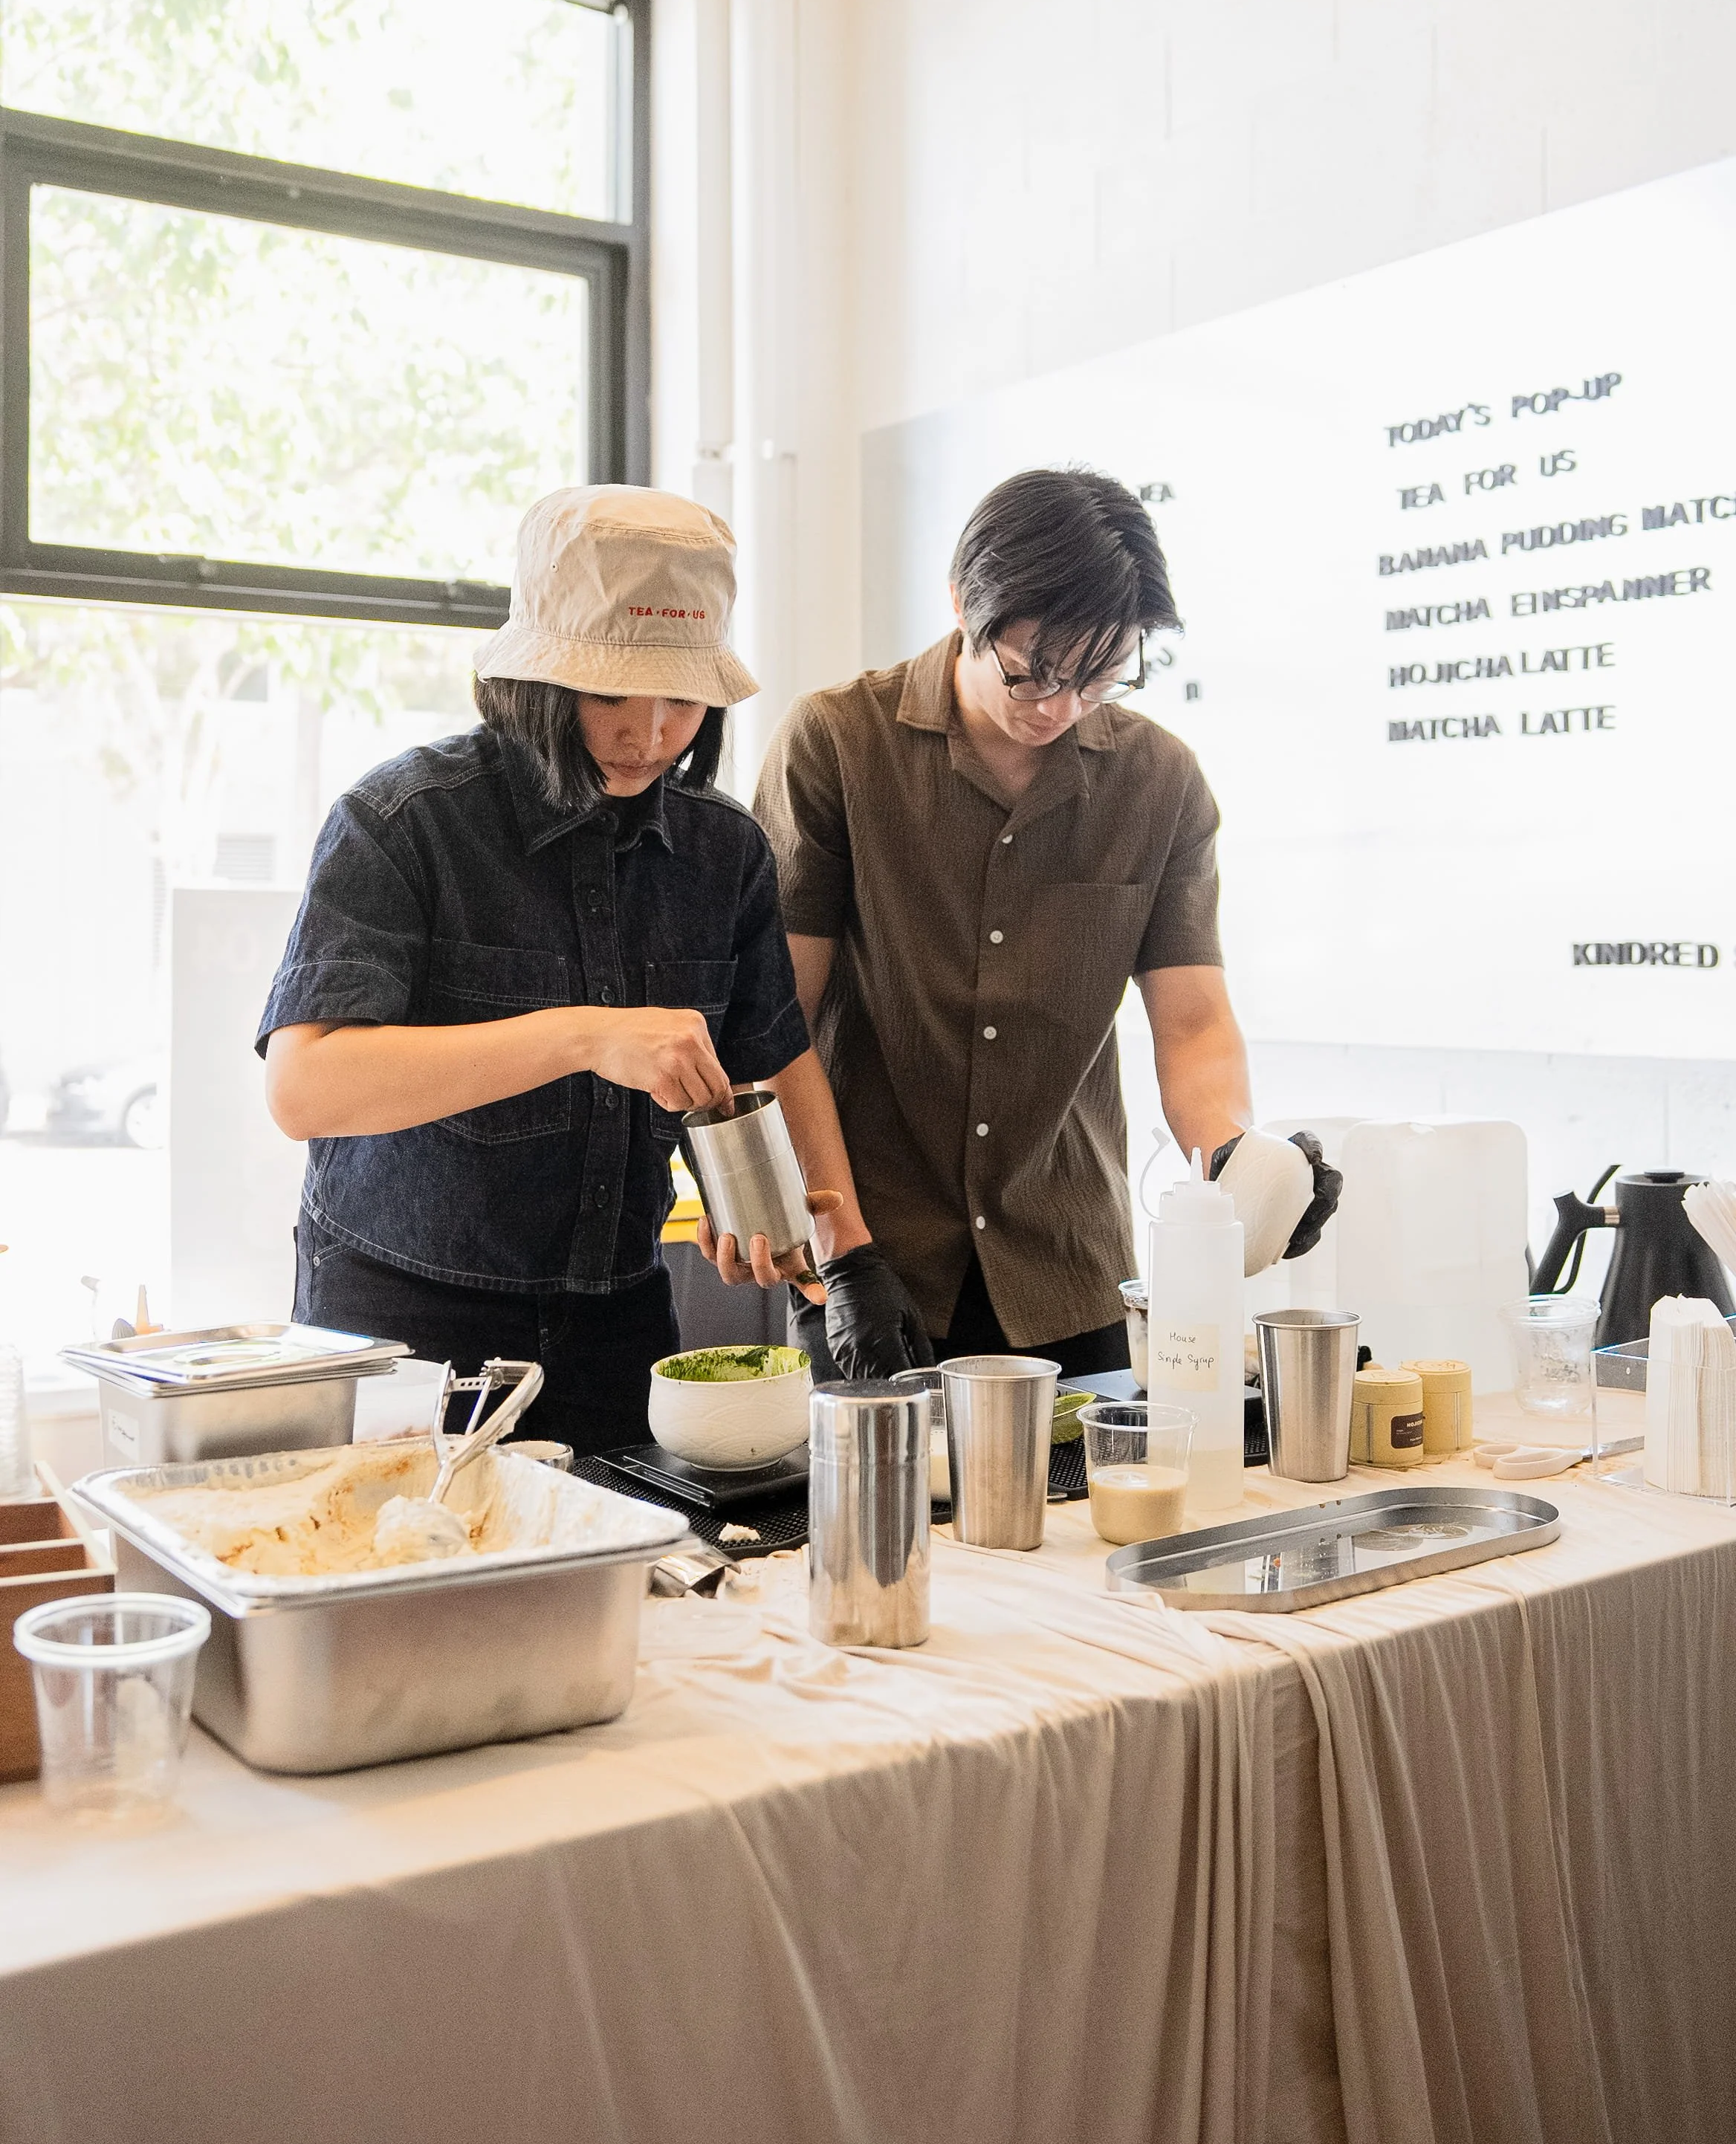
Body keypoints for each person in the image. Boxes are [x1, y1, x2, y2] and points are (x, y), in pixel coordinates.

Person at [259, 485, 902, 1458]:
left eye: (683, 699)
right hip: (408, 1331)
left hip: (616, 1327)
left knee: (637, 1598)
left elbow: (771, 1057)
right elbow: (305, 1088)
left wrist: (801, 1230)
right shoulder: (404, 825)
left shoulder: (723, 853)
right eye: (610, 696)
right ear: (538, 680)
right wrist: (587, 1034)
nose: (648, 733)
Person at [752, 466, 1337, 1382]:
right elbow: (773, 1019)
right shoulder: (835, 744)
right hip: (872, 1260)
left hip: (1067, 1263)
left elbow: (1191, 1024)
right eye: (1032, 677)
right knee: (881, 1522)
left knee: (1086, 1520)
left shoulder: (1160, 782)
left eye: (1100, 680)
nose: (1059, 711)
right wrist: (840, 1247)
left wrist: (1237, 1161)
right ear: (960, 606)